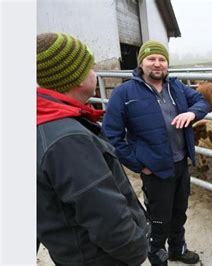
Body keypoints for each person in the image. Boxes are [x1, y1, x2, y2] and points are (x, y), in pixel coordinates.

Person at [36, 32, 150, 265]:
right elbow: (107, 218)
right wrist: (138, 251)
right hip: (101, 258)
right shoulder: (69, 141)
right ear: (77, 78)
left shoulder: (45, 123)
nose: (95, 73)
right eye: (91, 67)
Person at [102, 40, 209, 265]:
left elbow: (201, 101)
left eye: (162, 60)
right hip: (155, 170)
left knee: (179, 213)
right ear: (141, 63)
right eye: (151, 59)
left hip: (180, 163)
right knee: (159, 219)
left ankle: (177, 250)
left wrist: (192, 114)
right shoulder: (124, 93)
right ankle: (157, 257)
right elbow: (111, 136)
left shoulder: (176, 87)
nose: (157, 64)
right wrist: (139, 165)